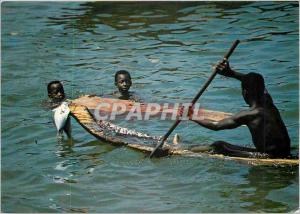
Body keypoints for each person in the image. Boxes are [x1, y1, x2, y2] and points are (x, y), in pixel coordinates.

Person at [180, 60, 291, 158]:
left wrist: (191, 116)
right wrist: (231, 73)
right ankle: (189, 147)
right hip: (285, 152)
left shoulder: (250, 114)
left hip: (268, 156)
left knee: (219, 146)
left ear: (245, 92)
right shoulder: (269, 104)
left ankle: (183, 149)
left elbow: (216, 126)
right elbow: (255, 83)